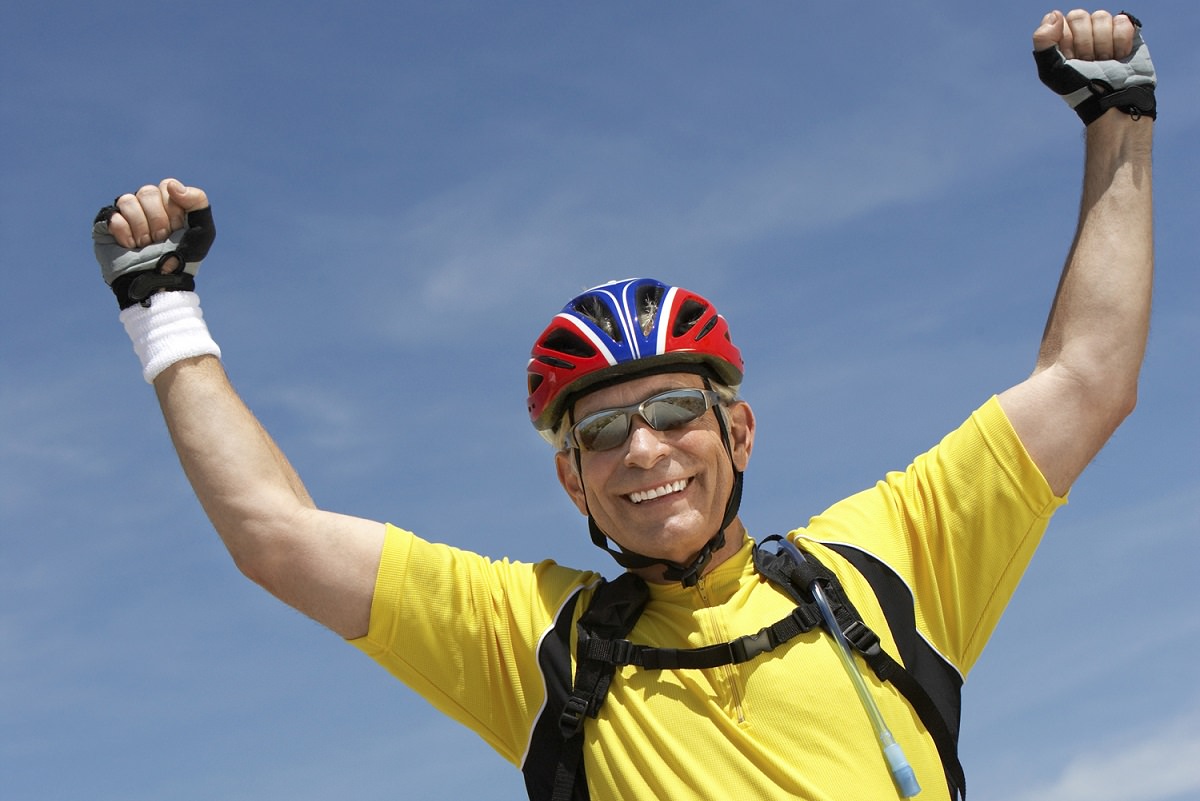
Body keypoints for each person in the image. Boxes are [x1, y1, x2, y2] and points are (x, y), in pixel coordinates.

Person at [90, 9, 1155, 800]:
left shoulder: (884, 563)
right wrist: (161, 306)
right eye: (600, 430)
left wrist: (1118, 120)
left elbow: (1090, 379)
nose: (644, 448)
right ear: (573, 479)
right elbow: (276, 539)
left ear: (737, 430)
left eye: (675, 411)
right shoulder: (537, 639)